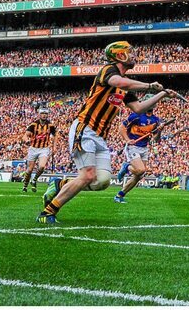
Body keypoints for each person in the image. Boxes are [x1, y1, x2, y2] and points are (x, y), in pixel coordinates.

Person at [38, 41, 179, 224]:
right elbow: (118, 82)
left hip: (100, 137)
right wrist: (150, 86)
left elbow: (138, 108)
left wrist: (161, 95)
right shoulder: (109, 70)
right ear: (120, 56)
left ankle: (59, 184)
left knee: (102, 181)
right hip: (85, 128)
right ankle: (48, 212)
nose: (134, 55)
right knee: (88, 175)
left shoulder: (125, 85)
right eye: (130, 52)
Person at [113, 110, 171, 204]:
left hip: (144, 148)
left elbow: (156, 139)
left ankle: (119, 195)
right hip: (133, 146)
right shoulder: (136, 116)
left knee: (139, 175)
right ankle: (126, 166)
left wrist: (159, 131)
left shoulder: (155, 120)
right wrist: (127, 140)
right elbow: (121, 127)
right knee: (141, 170)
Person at [21, 109, 58, 193]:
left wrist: (54, 147)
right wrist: (26, 140)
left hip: (44, 148)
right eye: (42, 113)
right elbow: (25, 135)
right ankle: (25, 185)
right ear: (39, 114)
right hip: (33, 148)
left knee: (42, 166)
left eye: (45, 113)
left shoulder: (50, 125)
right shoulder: (34, 124)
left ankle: (34, 180)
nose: (44, 115)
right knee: (30, 169)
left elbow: (55, 135)